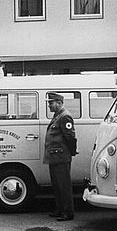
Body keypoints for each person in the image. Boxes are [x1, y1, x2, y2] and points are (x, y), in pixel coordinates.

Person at [44, 92, 77, 221]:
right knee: (57, 185)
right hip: (55, 157)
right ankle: (60, 209)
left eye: (51, 103)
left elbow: (70, 137)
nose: (49, 106)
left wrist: (71, 152)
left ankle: (68, 212)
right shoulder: (57, 116)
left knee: (63, 185)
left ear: (59, 103)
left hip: (61, 157)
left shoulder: (65, 117)